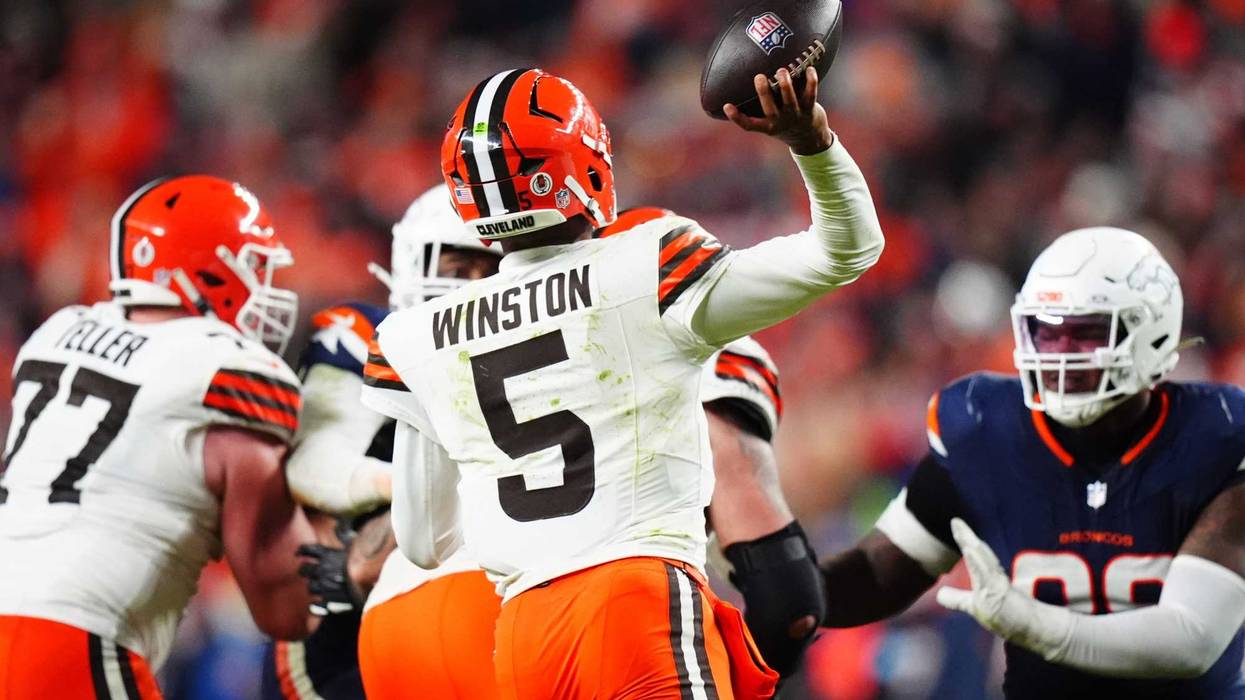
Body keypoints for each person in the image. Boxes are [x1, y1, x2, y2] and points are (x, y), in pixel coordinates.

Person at [360, 65, 883, 699]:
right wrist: (812, 141)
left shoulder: (418, 334)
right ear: (583, 164)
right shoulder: (648, 263)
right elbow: (846, 249)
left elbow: (423, 541)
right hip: (634, 598)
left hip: (525, 638)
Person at [357, 206, 828, 699]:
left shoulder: (449, 335)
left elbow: (410, 540)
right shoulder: (657, 294)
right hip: (586, 610)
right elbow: (788, 602)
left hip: (414, 624)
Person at [819, 227, 1245, 698]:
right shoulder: (986, 430)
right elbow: (882, 571)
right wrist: (789, 591)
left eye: (1085, 334)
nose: (1060, 354)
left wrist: (1038, 626)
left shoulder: (1218, 435)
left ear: (1152, 332)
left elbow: (1191, 639)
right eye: (1047, 332)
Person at [0, 176, 319, 698]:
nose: (269, 290)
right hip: (72, 637)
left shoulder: (56, 334)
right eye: (255, 268)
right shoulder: (226, 370)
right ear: (209, 271)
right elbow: (285, 605)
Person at [262, 184, 502, 700]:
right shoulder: (368, 337)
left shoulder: (530, 361)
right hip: (340, 630)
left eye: (492, 271)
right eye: (459, 270)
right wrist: (415, 489)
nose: (474, 289)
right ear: (411, 263)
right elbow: (315, 465)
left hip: (472, 618)